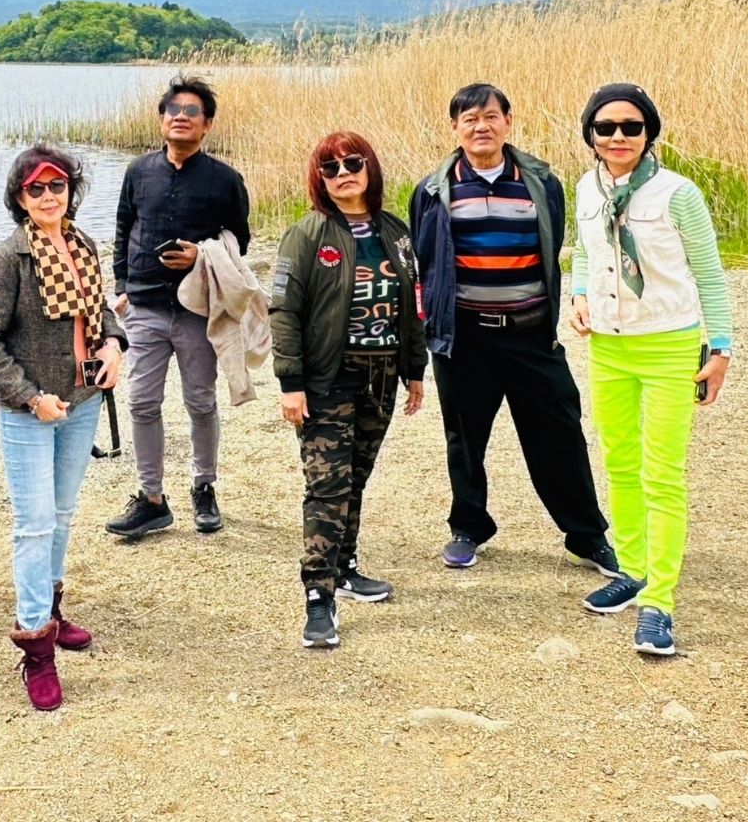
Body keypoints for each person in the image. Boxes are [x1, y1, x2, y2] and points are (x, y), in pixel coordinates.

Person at [407, 83, 621, 579]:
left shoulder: (540, 182)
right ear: (454, 128)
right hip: (464, 339)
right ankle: (468, 527)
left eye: (490, 117)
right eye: (468, 119)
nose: (480, 127)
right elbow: (426, 261)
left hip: (529, 334)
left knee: (560, 433)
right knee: (465, 437)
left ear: (508, 121)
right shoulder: (433, 189)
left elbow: (556, 243)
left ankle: (587, 536)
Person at [568, 83, 733, 657]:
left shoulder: (676, 193)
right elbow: (586, 250)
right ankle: (632, 568)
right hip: (610, 347)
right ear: (590, 133)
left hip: (668, 344)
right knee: (619, 462)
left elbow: (709, 272)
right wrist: (579, 294)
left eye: (630, 127)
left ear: (649, 133)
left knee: (662, 473)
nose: (618, 137)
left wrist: (722, 349)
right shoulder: (586, 188)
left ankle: (659, 602)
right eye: (606, 127)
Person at [0, 145, 126, 711]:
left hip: (82, 398)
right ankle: (36, 645)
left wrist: (113, 346)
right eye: (35, 189)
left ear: (71, 192)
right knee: (33, 523)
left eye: (56, 186)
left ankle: (53, 611)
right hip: (29, 409)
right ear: (19, 197)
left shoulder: (83, 244)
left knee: (61, 514)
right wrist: (31, 397)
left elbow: (102, 312)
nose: (47, 197)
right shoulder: (8, 259)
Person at [269, 133, 427, 648]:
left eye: (352, 163)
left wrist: (415, 369)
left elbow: (413, 307)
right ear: (320, 179)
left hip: (380, 377)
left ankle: (347, 565)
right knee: (327, 486)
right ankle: (319, 596)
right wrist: (291, 383)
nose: (342, 173)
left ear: (369, 168)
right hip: (326, 381)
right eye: (330, 167)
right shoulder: (307, 235)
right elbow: (284, 312)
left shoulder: (395, 233)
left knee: (356, 476)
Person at [105, 75, 251, 538]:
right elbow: (124, 226)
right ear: (162, 118)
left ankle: (204, 486)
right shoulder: (139, 171)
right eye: (174, 109)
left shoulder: (225, 179)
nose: (182, 117)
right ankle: (151, 499)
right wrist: (123, 284)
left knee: (200, 401)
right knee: (142, 402)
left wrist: (200, 254)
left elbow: (239, 241)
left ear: (207, 124)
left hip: (197, 309)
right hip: (144, 307)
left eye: (192, 111)